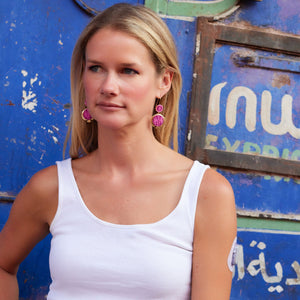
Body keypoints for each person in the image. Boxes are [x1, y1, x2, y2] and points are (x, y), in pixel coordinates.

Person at [0, 3, 237, 299]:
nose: (109, 86)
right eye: (96, 68)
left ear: (164, 82)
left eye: (128, 70)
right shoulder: (51, 187)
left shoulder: (206, 193)